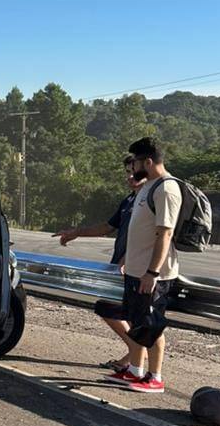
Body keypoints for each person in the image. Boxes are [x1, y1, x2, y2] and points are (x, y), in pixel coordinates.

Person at [103, 136, 183, 394]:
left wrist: (152, 272)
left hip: (152, 273)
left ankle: (154, 377)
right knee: (138, 321)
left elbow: (165, 234)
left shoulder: (166, 189)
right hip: (137, 269)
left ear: (147, 161)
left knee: (152, 323)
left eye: (136, 162)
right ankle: (135, 370)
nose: (133, 167)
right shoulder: (148, 185)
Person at [54, 157, 147, 369]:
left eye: (135, 172)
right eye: (127, 172)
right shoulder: (129, 201)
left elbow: (153, 236)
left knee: (111, 308)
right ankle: (134, 357)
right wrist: (76, 232)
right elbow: (107, 227)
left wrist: (128, 258)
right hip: (122, 266)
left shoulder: (149, 200)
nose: (130, 177)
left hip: (136, 267)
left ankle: (135, 357)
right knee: (117, 310)